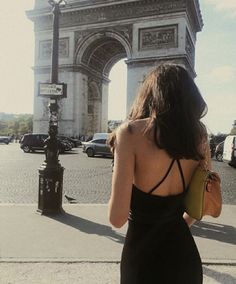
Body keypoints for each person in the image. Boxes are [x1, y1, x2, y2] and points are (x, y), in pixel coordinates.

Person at [108, 63, 210, 284]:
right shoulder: (200, 136)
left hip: (142, 259)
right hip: (184, 255)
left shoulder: (131, 132)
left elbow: (117, 218)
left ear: (150, 94)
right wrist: (175, 224)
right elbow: (198, 204)